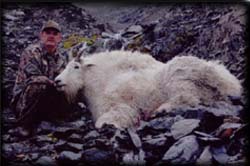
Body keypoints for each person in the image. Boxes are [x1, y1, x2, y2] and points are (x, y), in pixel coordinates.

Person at [11, 20, 69, 134]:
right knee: (39, 85)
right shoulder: (31, 52)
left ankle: (56, 120)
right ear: (41, 35)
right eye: (48, 33)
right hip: (24, 100)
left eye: (54, 33)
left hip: (47, 98)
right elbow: (33, 77)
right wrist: (53, 83)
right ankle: (25, 124)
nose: (51, 36)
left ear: (59, 38)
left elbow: (65, 79)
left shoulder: (62, 59)